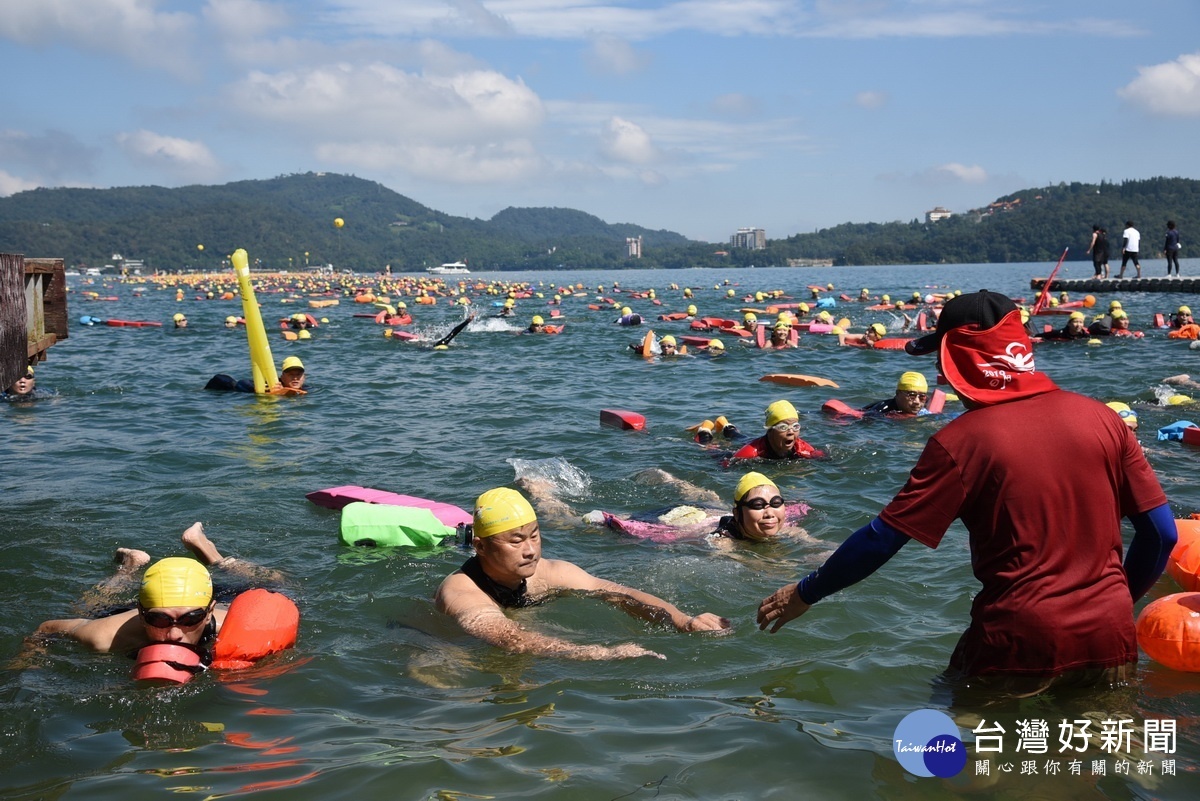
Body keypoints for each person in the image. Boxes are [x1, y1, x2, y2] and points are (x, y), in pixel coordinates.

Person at [757, 290, 1175, 699]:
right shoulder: (1103, 418)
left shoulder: (960, 441)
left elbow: (882, 537)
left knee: (977, 755)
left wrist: (807, 591)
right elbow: (1161, 534)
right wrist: (1115, 603)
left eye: (941, 354)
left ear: (960, 357)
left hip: (1017, 639)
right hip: (1110, 634)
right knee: (1091, 751)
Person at [434, 488, 730, 660]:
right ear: (480, 547)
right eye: (515, 541)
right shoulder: (462, 591)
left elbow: (619, 594)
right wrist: (600, 653)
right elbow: (508, 637)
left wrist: (683, 621)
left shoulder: (550, 573)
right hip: (455, 648)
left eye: (534, 536)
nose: (530, 550)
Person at [28, 522, 281, 657]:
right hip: (149, 608)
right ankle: (129, 567)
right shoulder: (104, 637)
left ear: (209, 611)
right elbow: (45, 629)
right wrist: (27, 668)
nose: (173, 634)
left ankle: (210, 553)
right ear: (141, 613)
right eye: (159, 620)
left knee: (277, 584)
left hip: (220, 597)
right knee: (86, 609)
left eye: (190, 619)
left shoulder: (236, 627)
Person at [729, 400, 824, 461]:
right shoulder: (751, 452)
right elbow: (726, 467)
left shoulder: (801, 448)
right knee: (737, 438)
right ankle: (729, 430)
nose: (791, 432)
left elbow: (823, 458)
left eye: (795, 426)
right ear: (770, 430)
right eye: (783, 427)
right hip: (750, 443)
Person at [861, 371, 930, 416]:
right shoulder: (881, 411)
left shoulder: (924, 401)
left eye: (922, 396)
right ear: (898, 393)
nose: (917, 402)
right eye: (912, 395)